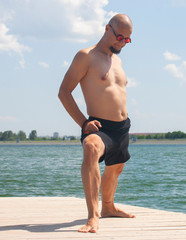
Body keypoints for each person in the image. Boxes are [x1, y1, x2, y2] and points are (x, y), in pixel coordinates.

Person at [58, 13, 135, 233]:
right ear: (107, 28)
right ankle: (93, 216)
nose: (122, 43)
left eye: (127, 40)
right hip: (98, 125)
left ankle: (109, 207)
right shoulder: (86, 56)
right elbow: (64, 92)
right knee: (91, 149)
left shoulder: (117, 60)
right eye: (120, 37)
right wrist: (83, 123)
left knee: (115, 169)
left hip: (122, 127)